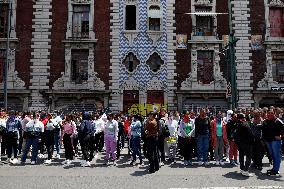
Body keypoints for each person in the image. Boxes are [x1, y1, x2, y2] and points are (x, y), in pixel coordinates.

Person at [262, 109, 283, 176]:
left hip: (275, 141)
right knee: (273, 155)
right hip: (268, 141)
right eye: (268, 113)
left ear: (274, 114)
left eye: (271, 113)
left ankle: (276, 170)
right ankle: (274, 168)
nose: (269, 114)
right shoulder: (266, 121)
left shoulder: (278, 121)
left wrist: (281, 137)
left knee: (276, 155)